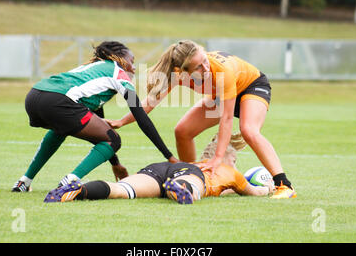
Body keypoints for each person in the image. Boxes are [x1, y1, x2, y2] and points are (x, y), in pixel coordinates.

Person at [106, 40, 296, 199]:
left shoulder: (222, 71)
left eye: (205, 60)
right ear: (183, 70)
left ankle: (284, 185)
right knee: (182, 131)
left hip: (251, 86)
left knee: (249, 130)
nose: (206, 67)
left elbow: (227, 118)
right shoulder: (177, 74)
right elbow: (150, 103)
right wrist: (122, 121)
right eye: (198, 66)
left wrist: (217, 158)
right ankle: (190, 176)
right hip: (220, 95)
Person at [12, 41, 178, 192]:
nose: (133, 68)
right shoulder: (119, 74)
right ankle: (70, 181)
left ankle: (24, 182)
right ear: (119, 58)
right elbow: (142, 118)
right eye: (132, 61)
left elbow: (97, 118)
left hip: (35, 95)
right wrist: (169, 156)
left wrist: (115, 163)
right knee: (114, 140)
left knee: (61, 128)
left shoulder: (94, 68)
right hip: (59, 100)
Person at [43, 133, 274, 204]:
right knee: (194, 187)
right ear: (229, 159)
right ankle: (180, 188)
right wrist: (268, 187)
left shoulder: (198, 164)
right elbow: (253, 191)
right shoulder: (230, 173)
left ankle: (79, 191)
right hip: (188, 177)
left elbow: (224, 190)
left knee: (122, 189)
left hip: (162, 169)